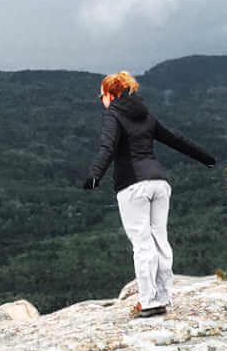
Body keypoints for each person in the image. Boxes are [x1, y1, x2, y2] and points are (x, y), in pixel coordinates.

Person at [81, 70, 216, 318]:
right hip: (160, 184)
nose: (101, 100)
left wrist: (94, 176)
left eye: (101, 95)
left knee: (142, 244)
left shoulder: (113, 114)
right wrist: (206, 158)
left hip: (133, 186)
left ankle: (148, 300)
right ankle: (164, 297)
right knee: (160, 240)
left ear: (111, 94)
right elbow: (176, 139)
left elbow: (107, 147)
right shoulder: (145, 115)